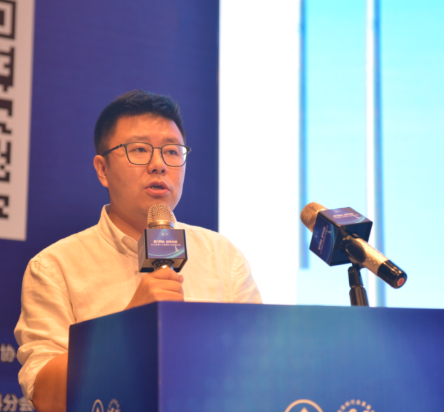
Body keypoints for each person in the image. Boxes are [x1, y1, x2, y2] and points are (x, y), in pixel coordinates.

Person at [14, 90, 261, 412]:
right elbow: (46, 397)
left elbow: (261, 369)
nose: (159, 165)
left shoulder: (223, 258)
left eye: (172, 152)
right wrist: (126, 328)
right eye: (140, 150)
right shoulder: (55, 267)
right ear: (102, 169)